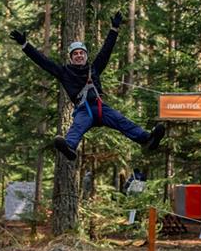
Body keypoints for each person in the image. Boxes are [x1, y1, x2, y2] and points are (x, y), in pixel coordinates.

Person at [10, 12, 165, 161]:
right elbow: (43, 62)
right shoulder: (64, 72)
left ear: (85, 56)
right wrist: (25, 45)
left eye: (81, 53)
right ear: (71, 58)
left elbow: (106, 51)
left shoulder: (94, 68)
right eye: (75, 54)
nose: (79, 55)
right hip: (84, 110)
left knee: (122, 121)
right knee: (77, 127)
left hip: (101, 108)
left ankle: (147, 139)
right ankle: (69, 147)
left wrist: (114, 29)